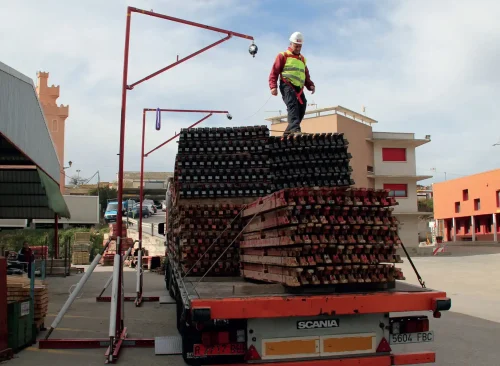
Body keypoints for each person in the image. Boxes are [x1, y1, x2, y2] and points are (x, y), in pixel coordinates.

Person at [269, 31, 315, 136]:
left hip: (299, 88)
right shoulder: (283, 56)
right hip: (287, 85)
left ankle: (288, 133)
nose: (298, 48)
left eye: (300, 46)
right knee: (292, 105)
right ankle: (295, 130)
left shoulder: (302, 59)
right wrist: (273, 86)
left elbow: (305, 74)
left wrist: (310, 85)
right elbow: (274, 71)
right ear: (291, 44)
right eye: (296, 46)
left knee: (302, 107)